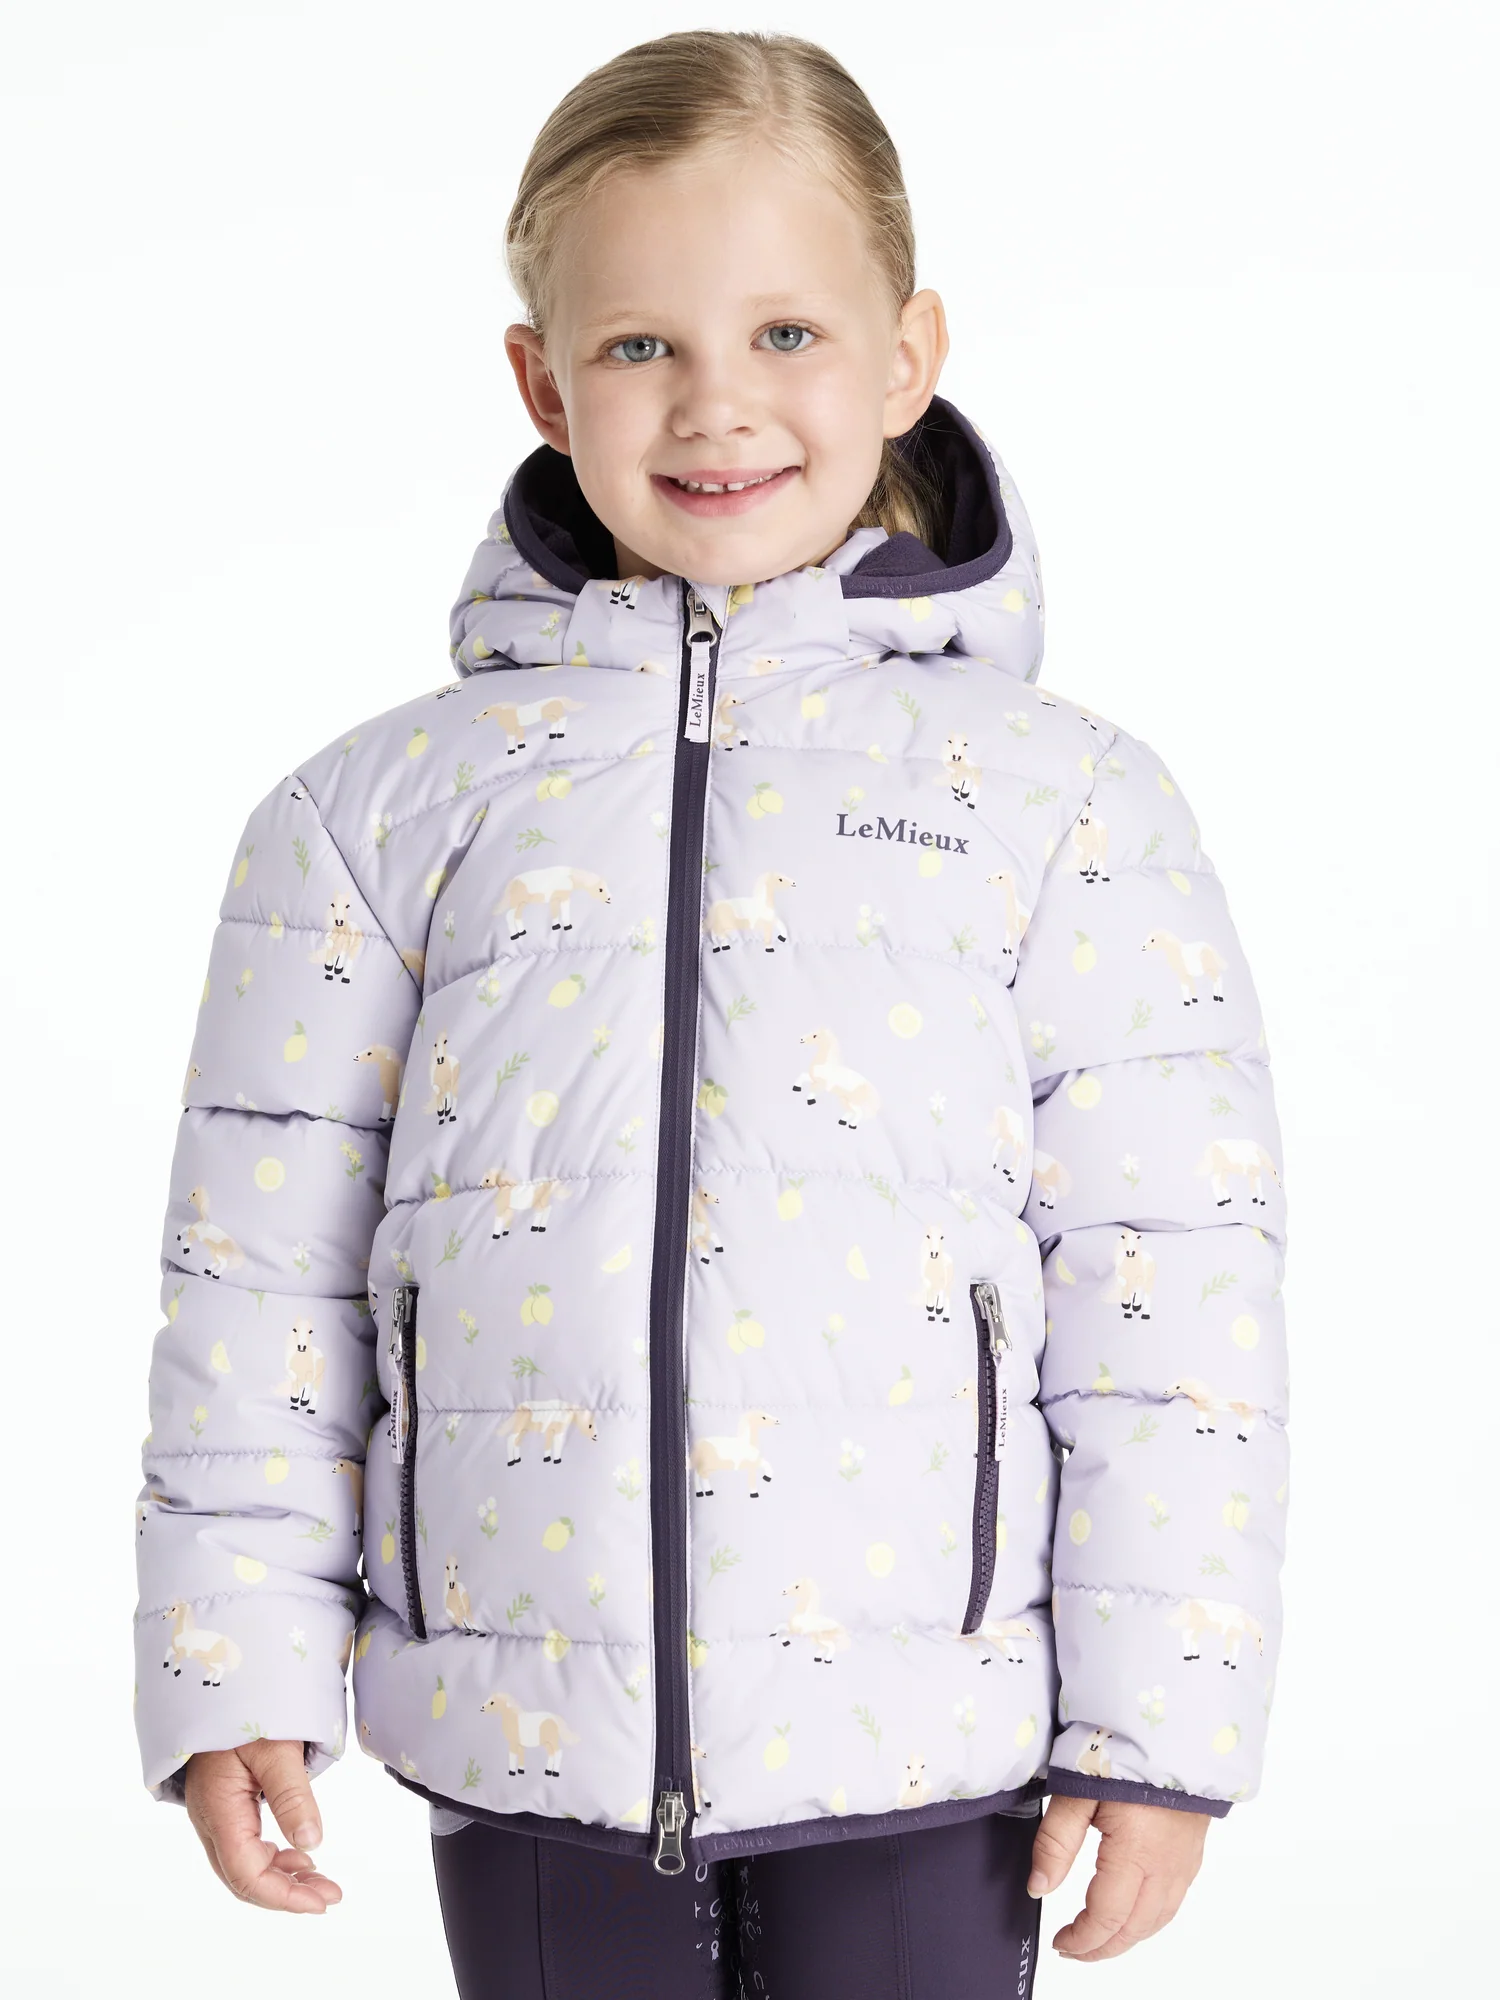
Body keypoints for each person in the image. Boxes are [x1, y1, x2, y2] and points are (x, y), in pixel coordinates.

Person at [132, 27, 1290, 1997]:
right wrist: (229, 1660)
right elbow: (260, 1282)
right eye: (641, 344)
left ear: (909, 355)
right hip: (527, 1726)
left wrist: (1160, 1726)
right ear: (542, 381)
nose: (716, 403)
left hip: (929, 1737)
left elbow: (1174, 1293)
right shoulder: (372, 819)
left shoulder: (1065, 808)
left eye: (786, 334)